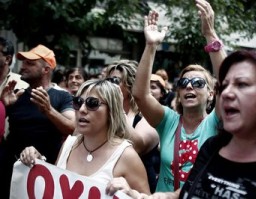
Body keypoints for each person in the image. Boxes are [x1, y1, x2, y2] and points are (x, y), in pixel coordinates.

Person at [132, 0, 226, 192]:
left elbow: (227, 80)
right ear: (179, 93)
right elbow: (140, 95)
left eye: (198, 83)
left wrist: (210, 34)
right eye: (183, 83)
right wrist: (150, 46)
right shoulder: (168, 121)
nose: (189, 86)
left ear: (210, 94)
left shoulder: (216, 121)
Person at [19, 79, 150, 196]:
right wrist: (36, 162)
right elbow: (57, 189)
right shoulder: (69, 144)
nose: (82, 109)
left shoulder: (126, 156)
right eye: (77, 102)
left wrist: (131, 193)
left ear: (112, 110)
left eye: (92, 103)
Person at [0, 44, 76, 198]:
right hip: (11, 171)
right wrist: (3, 106)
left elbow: (71, 128)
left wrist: (48, 110)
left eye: (30, 63)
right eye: (23, 62)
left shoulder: (62, 96)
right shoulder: (16, 95)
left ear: (46, 69)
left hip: (44, 174)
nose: (23, 66)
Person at [106, 60, 160, 193]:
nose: (109, 85)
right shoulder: (103, 112)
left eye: (115, 81)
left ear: (130, 85)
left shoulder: (148, 115)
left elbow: (138, 146)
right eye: (107, 81)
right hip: (109, 182)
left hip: (138, 188)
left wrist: (116, 109)